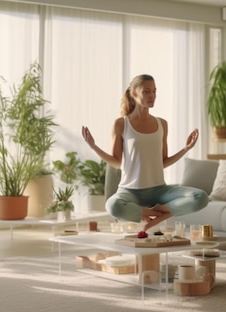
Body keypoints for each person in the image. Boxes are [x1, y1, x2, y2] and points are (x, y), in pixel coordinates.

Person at [81, 74, 208, 231]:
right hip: (129, 191)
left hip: (159, 190)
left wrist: (186, 149)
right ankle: (157, 213)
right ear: (134, 94)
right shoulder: (121, 124)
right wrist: (93, 146)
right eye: (146, 91)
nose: (152, 96)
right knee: (113, 206)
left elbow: (163, 162)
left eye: (154, 91)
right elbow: (117, 162)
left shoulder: (162, 124)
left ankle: (159, 215)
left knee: (200, 197)